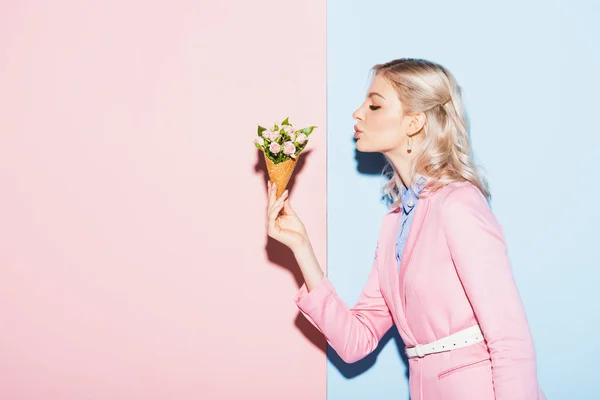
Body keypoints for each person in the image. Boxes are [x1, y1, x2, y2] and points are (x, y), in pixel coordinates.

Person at [264, 58, 545, 400]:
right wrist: (302, 248)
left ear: (414, 122)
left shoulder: (458, 203)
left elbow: (510, 341)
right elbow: (356, 341)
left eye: (375, 105)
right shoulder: (395, 223)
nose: (357, 113)